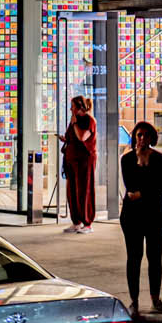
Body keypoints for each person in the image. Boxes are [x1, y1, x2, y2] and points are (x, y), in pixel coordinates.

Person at [119, 120, 162, 318]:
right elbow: (130, 186)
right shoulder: (127, 160)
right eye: (139, 135)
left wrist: (142, 193)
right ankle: (134, 301)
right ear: (134, 137)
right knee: (134, 257)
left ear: (151, 138)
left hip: (155, 215)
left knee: (154, 257)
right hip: (132, 216)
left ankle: (155, 299)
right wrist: (147, 187)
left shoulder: (160, 159)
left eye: (145, 135)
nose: (142, 139)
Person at [62, 94, 98, 232]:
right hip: (71, 159)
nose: (71, 109)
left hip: (84, 160)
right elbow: (70, 136)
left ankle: (87, 222)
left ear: (79, 107)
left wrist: (75, 123)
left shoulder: (89, 120)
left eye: (72, 107)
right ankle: (76, 220)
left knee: (84, 190)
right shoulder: (73, 121)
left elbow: (82, 137)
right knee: (72, 191)